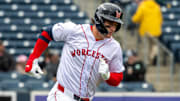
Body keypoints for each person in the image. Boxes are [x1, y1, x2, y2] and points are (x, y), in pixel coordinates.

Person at [25, 3, 125, 101]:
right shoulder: (75, 31)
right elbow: (47, 33)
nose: (113, 29)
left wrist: (108, 76)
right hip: (62, 95)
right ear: (99, 20)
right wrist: (32, 59)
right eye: (110, 24)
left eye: (116, 25)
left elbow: (117, 78)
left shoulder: (114, 47)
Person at [131, 0, 163, 65]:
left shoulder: (143, 6)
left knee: (146, 47)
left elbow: (136, 18)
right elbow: (161, 19)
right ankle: (152, 56)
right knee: (154, 46)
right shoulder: (157, 6)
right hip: (155, 31)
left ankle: (146, 62)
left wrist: (133, 18)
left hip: (145, 31)